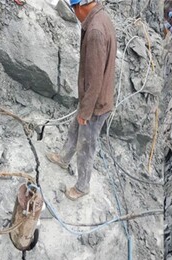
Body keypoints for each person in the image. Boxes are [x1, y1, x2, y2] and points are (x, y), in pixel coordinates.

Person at [46, 0, 117, 200]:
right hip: (92, 97)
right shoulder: (101, 16)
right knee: (74, 129)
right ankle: (64, 158)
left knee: (86, 145)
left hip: (96, 104)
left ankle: (82, 186)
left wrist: (86, 112)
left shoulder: (95, 31)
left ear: (79, 7)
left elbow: (94, 80)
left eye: (72, 9)